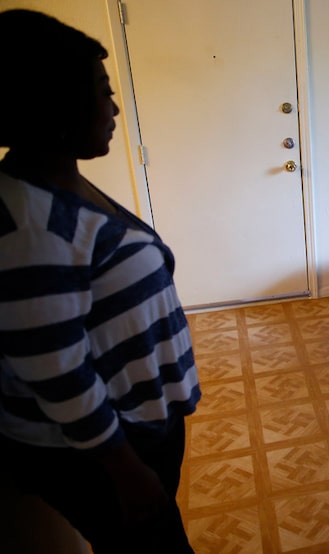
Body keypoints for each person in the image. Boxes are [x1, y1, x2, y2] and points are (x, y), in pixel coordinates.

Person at [0, 9, 200, 553]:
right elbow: (57, 373)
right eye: (101, 91)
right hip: (104, 454)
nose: (114, 108)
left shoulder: (58, 183)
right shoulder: (28, 228)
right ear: (53, 101)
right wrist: (125, 470)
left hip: (134, 427)